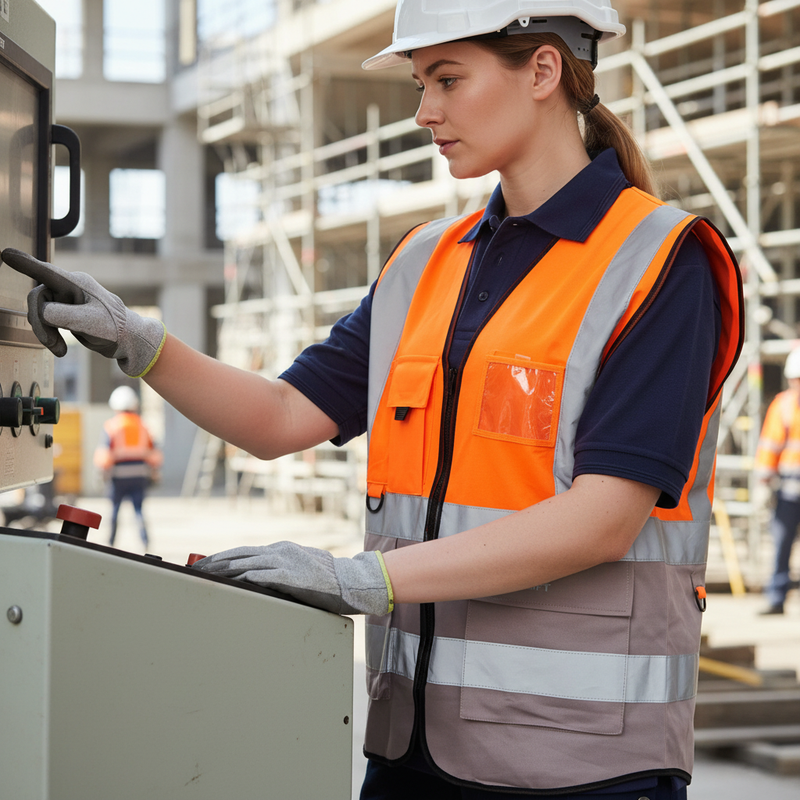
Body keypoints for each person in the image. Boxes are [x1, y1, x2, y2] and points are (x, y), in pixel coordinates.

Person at [1, 0, 744, 796]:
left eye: (448, 80)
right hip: (410, 752)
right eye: (423, 83)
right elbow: (281, 417)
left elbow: (603, 518)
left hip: (583, 766)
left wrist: (363, 577)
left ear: (543, 70)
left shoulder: (662, 260)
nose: (426, 111)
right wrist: (136, 343)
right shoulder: (425, 261)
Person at [754, 349, 800, 615]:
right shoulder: (783, 405)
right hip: (788, 491)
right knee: (782, 543)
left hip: (789, 488)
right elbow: (769, 446)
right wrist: (762, 481)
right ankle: (776, 597)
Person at [94, 385, 162, 548]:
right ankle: (145, 542)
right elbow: (154, 453)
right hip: (139, 475)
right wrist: (154, 472)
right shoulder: (142, 425)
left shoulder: (112, 426)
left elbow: (104, 455)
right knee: (139, 510)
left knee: (115, 511)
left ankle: (110, 543)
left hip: (118, 476)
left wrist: (101, 474)